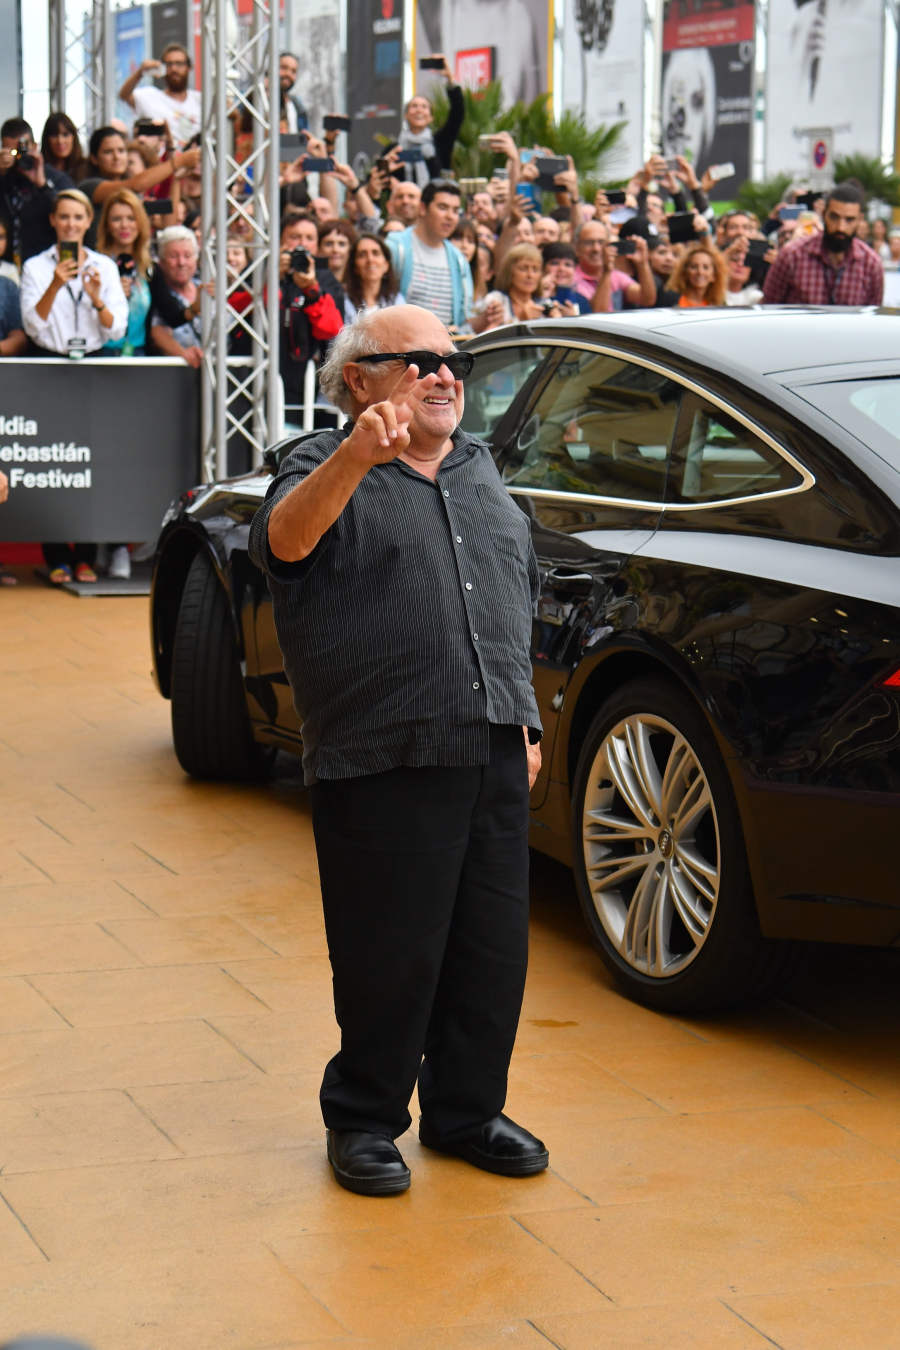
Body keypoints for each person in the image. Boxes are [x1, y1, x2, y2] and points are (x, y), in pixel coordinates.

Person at [247, 302, 548, 1196]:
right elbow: (285, 546)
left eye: (451, 359)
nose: (442, 372)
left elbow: (508, 595)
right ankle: (366, 1120)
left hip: (490, 739)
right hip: (383, 749)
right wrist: (357, 456)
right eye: (415, 360)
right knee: (390, 952)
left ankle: (465, 1112)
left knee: (490, 950)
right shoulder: (318, 462)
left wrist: (525, 717)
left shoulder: (483, 469)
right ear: (359, 381)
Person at [20, 188, 127, 585]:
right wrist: (53, 284)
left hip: (94, 368)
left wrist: (97, 298)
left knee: (91, 460)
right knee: (51, 459)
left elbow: (116, 327)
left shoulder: (104, 266)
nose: (70, 224)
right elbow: (34, 325)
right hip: (49, 367)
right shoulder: (35, 267)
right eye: (63, 217)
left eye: (77, 217)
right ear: (53, 221)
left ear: (87, 222)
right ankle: (55, 557)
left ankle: (85, 555)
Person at [763, 183, 884, 306]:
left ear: (860, 219)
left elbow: (873, 319)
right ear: (824, 214)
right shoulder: (792, 256)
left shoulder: (871, 265)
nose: (840, 227)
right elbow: (768, 309)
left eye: (849, 219)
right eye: (834, 217)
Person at [385, 179, 472, 330]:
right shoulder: (395, 247)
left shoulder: (459, 260)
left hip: (445, 349)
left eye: (455, 210)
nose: (450, 216)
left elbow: (464, 320)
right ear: (423, 208)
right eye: (443, 207)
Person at [0, 119, 73, 263]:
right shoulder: (3, 177)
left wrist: (43, 185)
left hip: (45, 263)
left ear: (34, 146)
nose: (18, 156)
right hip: (6, 266)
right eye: (13, 152)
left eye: (22, 150)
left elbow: (72, 212)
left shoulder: (55, 178)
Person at [393, 55, 463, 188]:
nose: (419, 110)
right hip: (404, 204)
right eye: (414, 106)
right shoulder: (395, 149)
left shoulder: (440, 143)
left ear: (431, 117)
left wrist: (450, 79)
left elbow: (457, 115)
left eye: (424, 107)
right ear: (406, 115)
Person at [118, 43, 202, 148]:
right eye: (169, 64)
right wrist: (140, 72)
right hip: (163, 163)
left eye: (179, 64)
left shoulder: (200, 99)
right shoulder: (150, 97)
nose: (174, 69)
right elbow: (124, 95)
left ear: (189, 67)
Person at [148, 225, 204, 366]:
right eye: (173, 256)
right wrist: (184, 355)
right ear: (161, 262)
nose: (181, 263)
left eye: (187, 256)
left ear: (196, 259)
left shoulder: (206, 288)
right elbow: (157, 332)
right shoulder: (157, 294)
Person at [573, 219, 655, 312]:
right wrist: (606, 272)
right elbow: (598, 313)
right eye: (589, 243)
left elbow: (647, 299)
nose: (596, 249)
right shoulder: (571, 279)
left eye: (601, 242)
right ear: (576, 248)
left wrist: (642, 264)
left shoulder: (616, 276)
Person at [342, 234, 403, 322]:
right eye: (362, 255)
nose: (370, 259)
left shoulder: (397, 301)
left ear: (386, 265)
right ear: (354, 267)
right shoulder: (342, 300)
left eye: (375, 253)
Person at [668, 241, 728, 308]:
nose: (700, 272)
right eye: (694, 267)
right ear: (684, 272)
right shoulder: (670, 299)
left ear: (714, 275)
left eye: (705, 267)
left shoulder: (719, 304)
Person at [40, 113, 87, 183]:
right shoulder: (39, 169)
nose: (60, 141)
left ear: (74, 137)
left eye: (65, 134)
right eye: (54, 135)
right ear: (47, 139)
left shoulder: (86, 168)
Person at [317, 218, 356, 290]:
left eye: (341, 244)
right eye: (328, 244)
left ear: (350, 249)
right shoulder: (311, 282)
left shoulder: (359, 285)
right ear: (319, 248)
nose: (335, 249)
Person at [278, 52, 309, 134]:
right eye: (284, 68)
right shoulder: (258, 100)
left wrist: (329, 140)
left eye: (293, 71)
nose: (288, 74)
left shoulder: (297, 105)